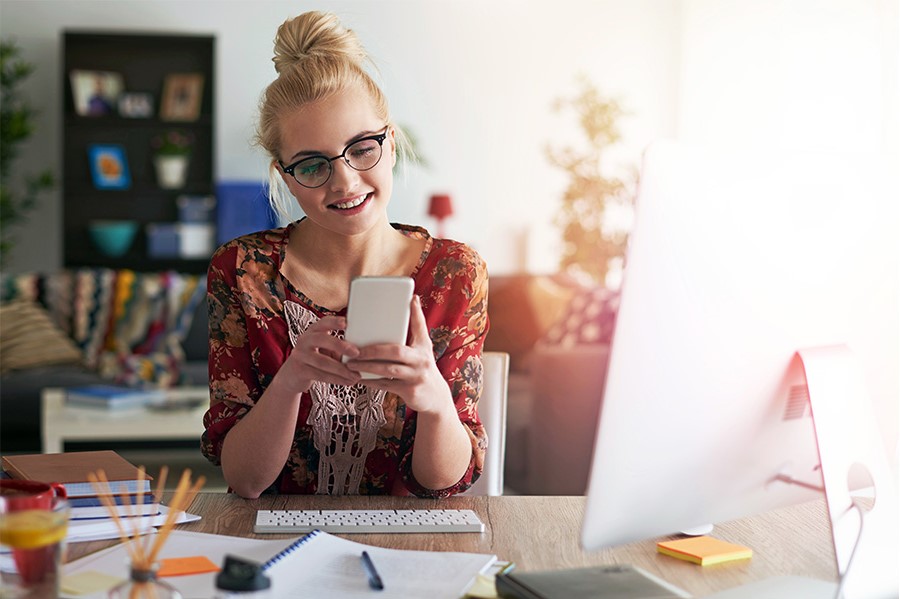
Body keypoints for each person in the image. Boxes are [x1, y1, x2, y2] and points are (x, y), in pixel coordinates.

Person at [201, 11, 489, 499]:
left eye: (362, 148)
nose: (345, 181)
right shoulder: (241, 272)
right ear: (285, 175)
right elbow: (245, 481)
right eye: (312, 164)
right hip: (275, 544)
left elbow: (442, 483)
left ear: (391, 143)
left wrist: (435, 400)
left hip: (409, 547)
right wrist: (290, 380)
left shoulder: (456, 273)